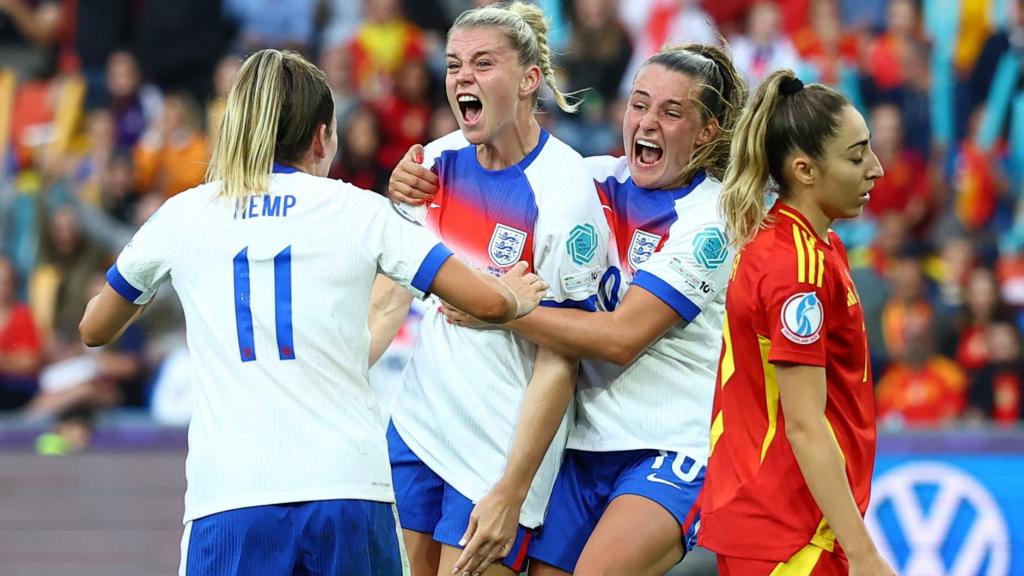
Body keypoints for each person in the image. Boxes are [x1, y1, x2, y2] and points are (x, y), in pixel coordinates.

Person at [78, 48, 548, 576]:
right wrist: (514, 294)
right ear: (322, 137)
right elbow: (486, 301)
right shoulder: (359, 210)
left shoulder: (183, 215)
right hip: (348, 490)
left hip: (230, 498)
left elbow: (94, 328)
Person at [391, 43, 745, 576]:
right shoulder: (588, 178)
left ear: (706, 132)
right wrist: (409, 179)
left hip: (666, 446)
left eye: (671, 113)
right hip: (577, 447)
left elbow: (621, 338)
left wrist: (499, 308)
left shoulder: (711, 219)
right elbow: (495, 168)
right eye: (639, 104)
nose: (647, 122)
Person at [379, 4, 611, 576]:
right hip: (416, 428)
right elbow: (389, 295)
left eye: (483, 63)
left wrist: (512, 488)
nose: (463, 77)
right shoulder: (433, 164)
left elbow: (563, 356)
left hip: (496, 447)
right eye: (454, 64)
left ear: (529, 79)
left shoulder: (563, 189)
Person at [699, 69, 894, 576]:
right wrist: (864, 552)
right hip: (789, 529)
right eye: (857, 156)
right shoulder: (797, 272)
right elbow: (805, 425)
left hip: (782, 520)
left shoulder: (809, 246)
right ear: (805, 170)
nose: (876, 169)